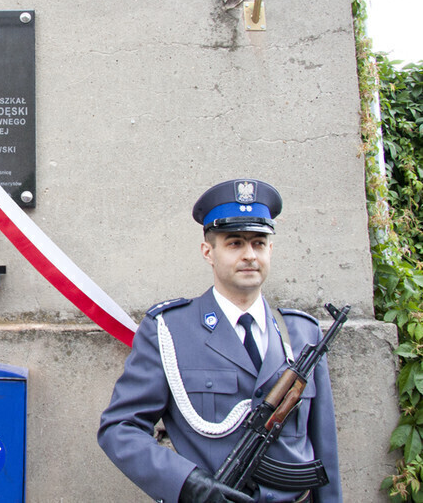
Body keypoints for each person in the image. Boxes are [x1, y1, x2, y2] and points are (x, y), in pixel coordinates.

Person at [97, 179, 341, 503]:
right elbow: (119, 428)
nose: (250, 255)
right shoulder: (170, 331)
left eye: (259, 243)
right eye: (235, 243)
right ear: (208, 252)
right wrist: (188, 485)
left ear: (271, 249)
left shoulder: (303, 334)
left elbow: (324, 449)